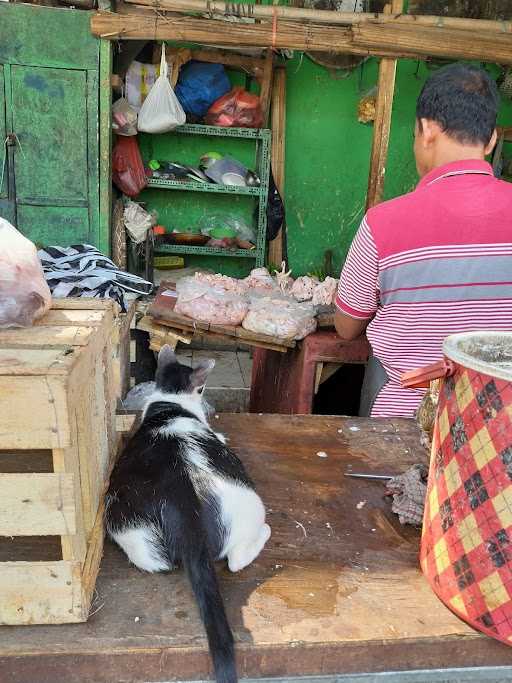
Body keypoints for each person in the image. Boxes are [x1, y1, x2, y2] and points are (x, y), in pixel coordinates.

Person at [334, 63, 512, 418]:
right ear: (491, 138)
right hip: (499, 432)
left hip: (403, 427)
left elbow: (346, 325)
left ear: (427, 130)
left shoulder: (382, 222)